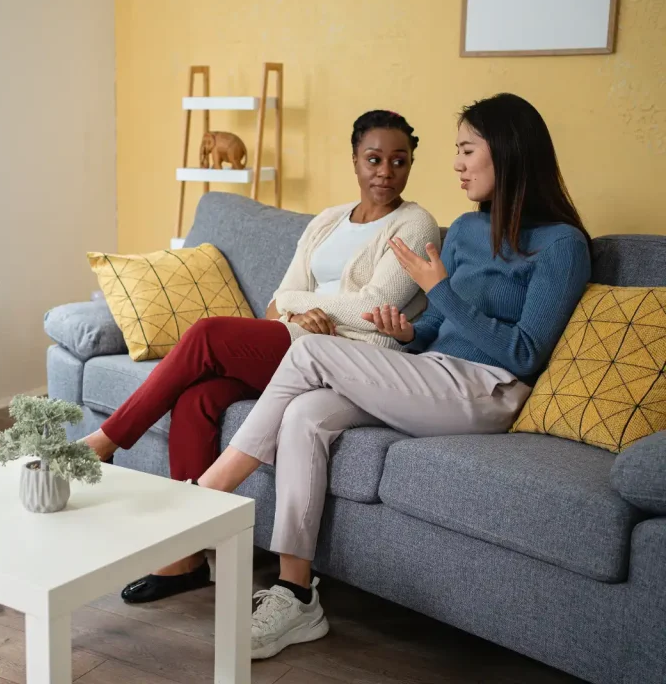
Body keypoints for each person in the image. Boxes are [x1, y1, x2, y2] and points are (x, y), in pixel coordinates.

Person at [153, 93, 591, 659]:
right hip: (429, 372)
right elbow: (436, 325)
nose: (456, 164)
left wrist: (440, 291)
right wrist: (407, 331)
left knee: (311, 355)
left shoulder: (562, 245)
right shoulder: (464, 230)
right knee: (305, 413)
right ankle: (296, 593)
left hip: (489, 389)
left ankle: (207, 496)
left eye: (467, 150)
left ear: (506, 152)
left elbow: (525, 353)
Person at [82, 110, 441, 603]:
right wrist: (295, 309)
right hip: (294, 340)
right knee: (198, 398)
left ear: (411, 165)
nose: (385, 172)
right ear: (355, 160)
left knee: (207, 334)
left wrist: (298, 304)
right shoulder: (327, 221)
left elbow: (371, 308)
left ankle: (107, 441)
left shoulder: (416, 223)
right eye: (373, 159)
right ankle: (188, 557)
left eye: (399, 162)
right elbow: (275, 304)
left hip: (348, 356)